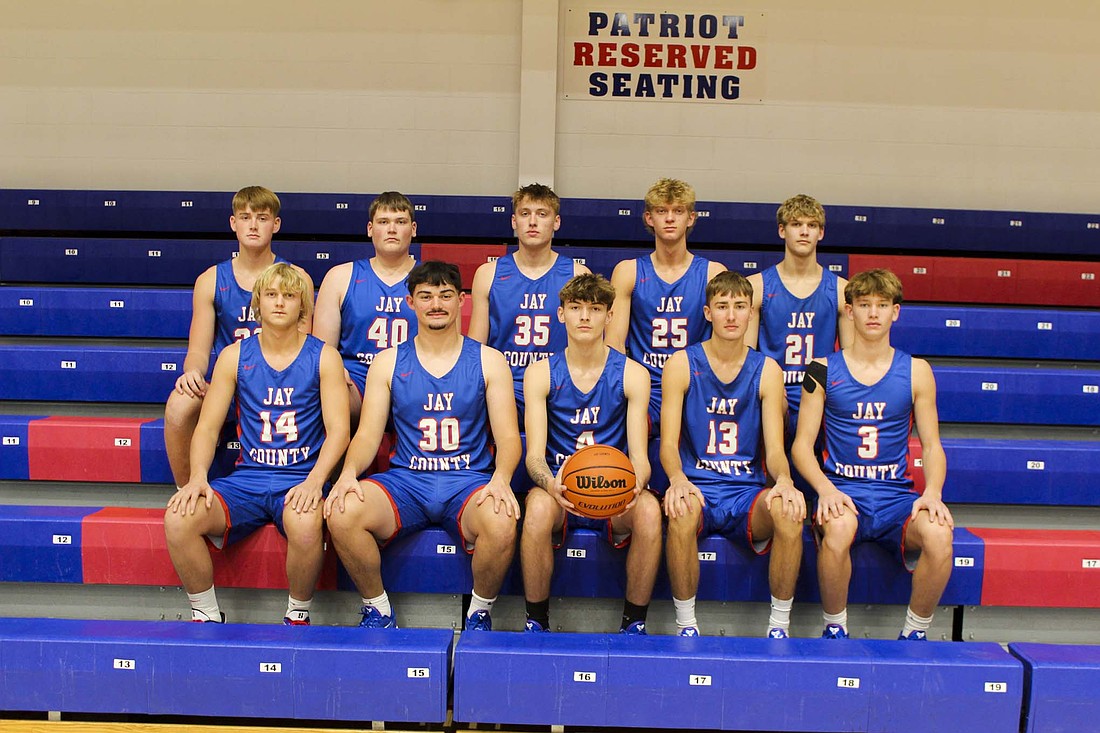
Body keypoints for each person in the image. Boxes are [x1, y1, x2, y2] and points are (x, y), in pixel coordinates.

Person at [324, 261, 521, 631]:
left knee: (502, 518)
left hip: (467, 480)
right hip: (407, 481)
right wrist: (348, 473)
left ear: (460, 300)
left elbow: (509, 437)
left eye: (446, 295)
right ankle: (378, 610)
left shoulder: (488, 360)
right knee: (342, 510)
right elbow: (367, 434)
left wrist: (502, 478)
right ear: (410, 302)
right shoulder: (387, 362)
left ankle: (479, 612)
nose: (436, 304)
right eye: (426, 296)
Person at [164, 263, 350, 625]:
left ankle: (298, 613)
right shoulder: (234, 356)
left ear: (303, 307)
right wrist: (198, 476)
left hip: (298, 477)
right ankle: (205, 614)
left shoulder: (324, 356)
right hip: (247, 478)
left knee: (305, 521)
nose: (280, 303)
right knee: (178, 518)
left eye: (289, 296)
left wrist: (315, 481)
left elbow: (339, 430)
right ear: (256, 305)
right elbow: (207, 427)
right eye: (271, 295)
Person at [791, 268, 954, 641]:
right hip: (844, 493)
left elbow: (931, 445)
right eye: (864, 305)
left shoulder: (916, 371)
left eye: (882, 305)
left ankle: (915, 632)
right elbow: (802, 445)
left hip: (897, 496)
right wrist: (825, 489)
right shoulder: (820, 369)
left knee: (940, 535)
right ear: (849, 311)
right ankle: (835, 627)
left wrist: (933, 493)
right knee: (838, 528)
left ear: (896, 312)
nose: (874, 313)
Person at [661, 271, 805, 638]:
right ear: (707, 312)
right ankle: (686, 624)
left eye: (739, 306)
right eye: (722, 306)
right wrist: (677, 479)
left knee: (789, 512)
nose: (731, 315)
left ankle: (779, 626)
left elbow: (774, 450)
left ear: (751, 314)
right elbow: (667, 444)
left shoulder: (767, 370)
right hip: (698, 486)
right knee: (679, 510)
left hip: (746, 492)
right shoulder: (681, 364)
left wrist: (785, 480)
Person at [520, 274, 661, 634]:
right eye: (576, 308)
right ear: (560, 314)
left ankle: (634, 623)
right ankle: (536, 620)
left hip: (613, 488)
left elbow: (640, 457)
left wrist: (636, 484)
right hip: (561, 489)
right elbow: (534, 456)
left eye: (595, 309)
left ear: (609, 317)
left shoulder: (632, 374)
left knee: (647, 511)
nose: (585, 316)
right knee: (535, 509)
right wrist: (551, 484)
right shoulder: (540, 373)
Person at [164, 186, 315, 487]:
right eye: (245, 217)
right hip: (229, 383)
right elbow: (197, 350)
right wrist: (192, 373)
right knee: (180, 403)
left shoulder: (298, 278)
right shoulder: (210, 280)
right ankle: (186, 488)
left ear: (276, 224)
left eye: (262, 217)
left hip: (282, 386)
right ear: (233, 223)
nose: (253, 225)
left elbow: (305, 348)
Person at [608, 178, 725, 490]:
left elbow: (726, 343)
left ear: (691, 218)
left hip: (695, 388)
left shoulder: (713, 273)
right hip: (646, 389)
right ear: (649, 218)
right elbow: (615, 345)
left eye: (678, 210)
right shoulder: (629, 271)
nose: (670, 218)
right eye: (662, 211)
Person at [468, 183, 589, 422]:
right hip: (504, 387)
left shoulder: (577, 274)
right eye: (525, 214)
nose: (532, 222)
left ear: (556, 222)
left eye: (542, 214)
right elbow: (475, 350)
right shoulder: (488, 274)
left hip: (559, 387)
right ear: (514, 221)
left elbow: (590, 348)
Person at [747, 193, 852, 440]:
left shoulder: (840, 290)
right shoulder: (757, 287)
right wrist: (769, 389)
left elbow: (851, 360)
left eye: (811, 225)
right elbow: (746, 358)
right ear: (782, 231)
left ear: (821, 233)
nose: (804, 232)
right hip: (773, 393)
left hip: (819, 394)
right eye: (796, 224)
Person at [314, 191, 418, 425]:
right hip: (358, 377)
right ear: (370, 229)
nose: (392, 229)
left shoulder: (431, 279)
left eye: (400, 222)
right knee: (328, 388)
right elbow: (322, 351)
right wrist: (337, 375)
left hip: (414, 377)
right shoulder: (340, 277)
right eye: (383, 222)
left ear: (413, 228)